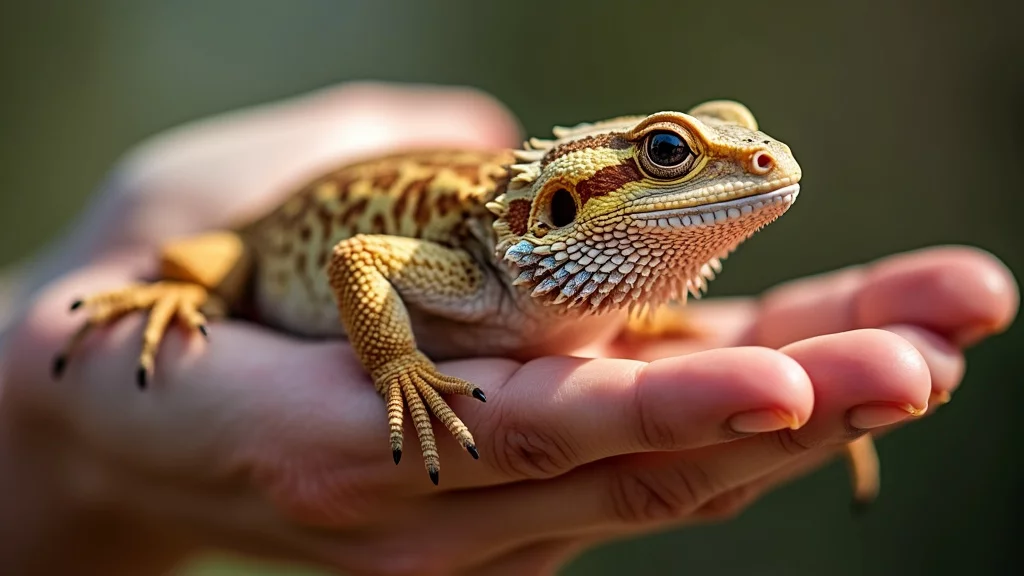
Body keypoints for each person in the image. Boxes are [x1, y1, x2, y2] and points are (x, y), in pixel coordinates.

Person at [0, 82, 1017, 576]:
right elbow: (360, 259)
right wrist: (394, 361)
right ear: (564, 204)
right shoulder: (468, 262)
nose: (755, 163)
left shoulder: (606, 281)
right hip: (251, 252)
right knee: (196, 270)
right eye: (671, 153)